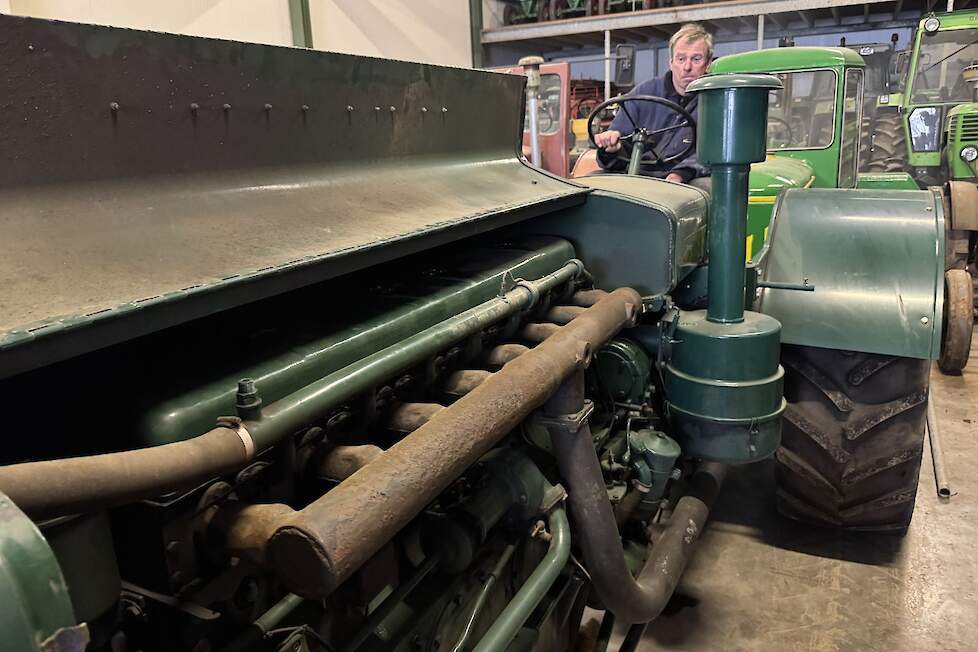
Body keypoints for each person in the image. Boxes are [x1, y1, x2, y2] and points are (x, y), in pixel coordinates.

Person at [594, 23, 712, 184]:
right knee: (593, 180)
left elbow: (714, 152)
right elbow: (619, 138)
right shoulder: (643, 94)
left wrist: (681, 173)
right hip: (640, 175)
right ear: (671, 62)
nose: (687, 67)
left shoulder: (713, 102)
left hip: (685, 178)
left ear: (708, 63)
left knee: (706, 186)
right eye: (681, 58)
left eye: (696, 59)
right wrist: (613, 146)